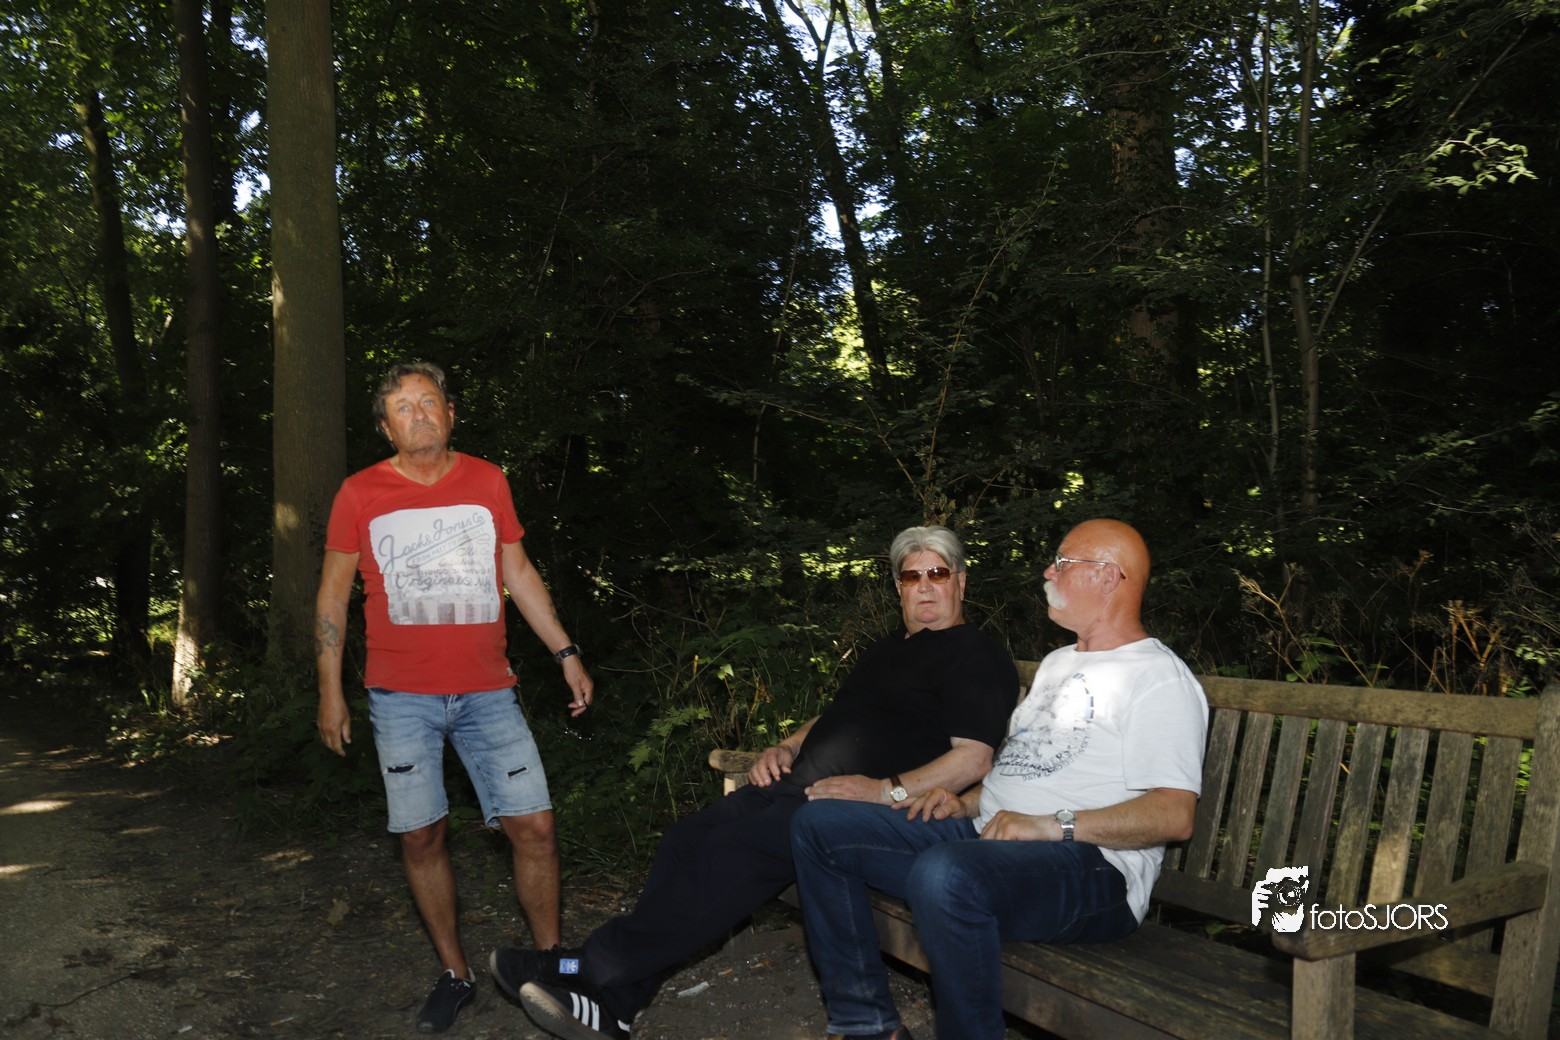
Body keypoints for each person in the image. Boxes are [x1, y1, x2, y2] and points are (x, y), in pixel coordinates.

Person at [492, 525, 1019, 1040]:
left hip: (863, 815)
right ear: (897, 588)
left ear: (961, 581)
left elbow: (973, 759)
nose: (924, 586)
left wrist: (885, 790)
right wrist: (786, 746)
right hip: (799, 787)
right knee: (687, 838)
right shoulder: (887, 651)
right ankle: (617, 1006)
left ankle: (583, 968)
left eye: (937, 573)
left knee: (732, 849)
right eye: (910, 576)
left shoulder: (974, 653)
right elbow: (839, 717)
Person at [790, 518, 1208, 1040]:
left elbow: (1174, 814)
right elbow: (1028, 766)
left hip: (1094, 870)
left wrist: (1051, 825)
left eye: (1063, 562)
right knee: (820, 826)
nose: (1048, 572)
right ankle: (867, 1025)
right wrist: (964, 803)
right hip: (988, 840)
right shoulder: (1059, 663)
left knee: (946, 874)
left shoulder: (1158, 679)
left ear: (1107, 577)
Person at [314, 361, 594, 1034]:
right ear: (386, 428)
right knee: (421, 835)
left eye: (428, 402)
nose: (418, 414)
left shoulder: (487, 480)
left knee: (536, 827)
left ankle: (550, 966)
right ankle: (455, 974)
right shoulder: (359, 493)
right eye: (403, 407)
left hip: (489, 691)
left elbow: (517, 571)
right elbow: (332, 598)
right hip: (399, 697)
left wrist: (566, 652)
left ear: (450, 414)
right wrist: (329, 692)